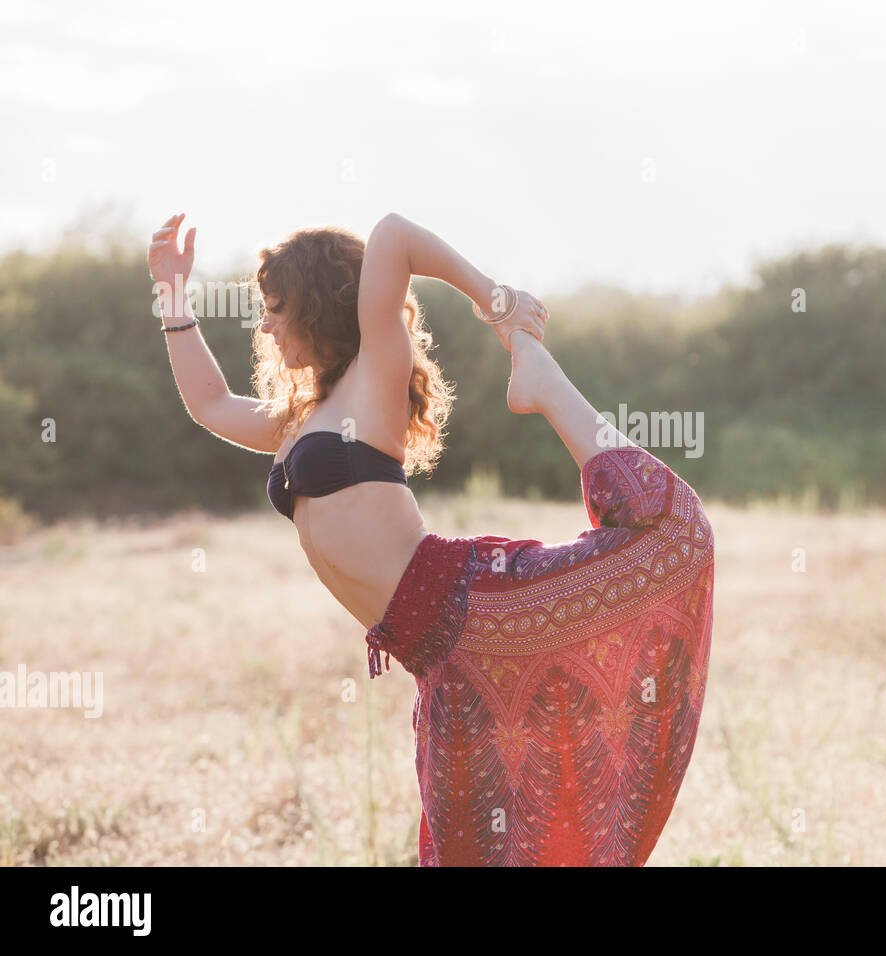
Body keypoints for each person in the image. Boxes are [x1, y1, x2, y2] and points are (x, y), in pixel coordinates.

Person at [148, 212, 715, 865]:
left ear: (316, 305)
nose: (264, 325)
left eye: (275, 308)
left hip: (476, 601)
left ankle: (541, 378)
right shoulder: (297, 419)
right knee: (470, 850)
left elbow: (393, 234)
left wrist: (497, 306)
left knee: (674, 533)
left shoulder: (375, 376)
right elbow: (210, 403)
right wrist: (171, 294)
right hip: (442, 660)